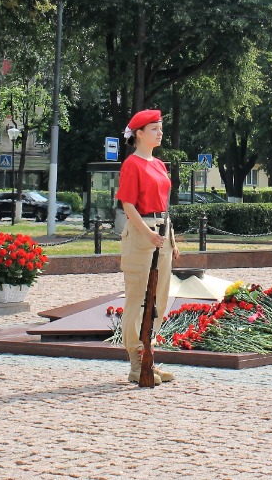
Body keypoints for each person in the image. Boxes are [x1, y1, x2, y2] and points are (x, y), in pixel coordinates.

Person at [116, 109, 180, 385]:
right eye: (155, 128)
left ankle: (149, 357)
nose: (160, 132)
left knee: (158, 300)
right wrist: (148, 234)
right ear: (139, 134)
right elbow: (127, 205)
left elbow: (164, 206)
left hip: (161, 234)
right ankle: (136, 360)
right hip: (142, 235)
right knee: (138, 299)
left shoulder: (158, 164)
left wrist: (172, 240)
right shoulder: (132, 164)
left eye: (161, 128)